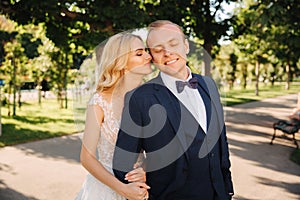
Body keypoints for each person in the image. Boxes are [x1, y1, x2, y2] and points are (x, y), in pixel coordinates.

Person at [113, 20, 234, 199]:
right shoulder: (140, 98)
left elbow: (220, 140)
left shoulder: (209, 85)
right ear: (152, 56)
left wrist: (227, 188)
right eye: (158, 49)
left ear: (186, 45)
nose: (167, 53)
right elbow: (122, 162)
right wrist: (140, 177)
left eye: (173, 44)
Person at [76, 32, 152, 200]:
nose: (149, 56)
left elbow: (159, 147)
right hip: (107, 188)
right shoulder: (100, 102)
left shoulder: (150, 98)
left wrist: (146, 171)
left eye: (145, 51)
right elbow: (86, 158)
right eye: (139, 53)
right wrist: (124, 190)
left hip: (142, 186)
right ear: (121, 62)